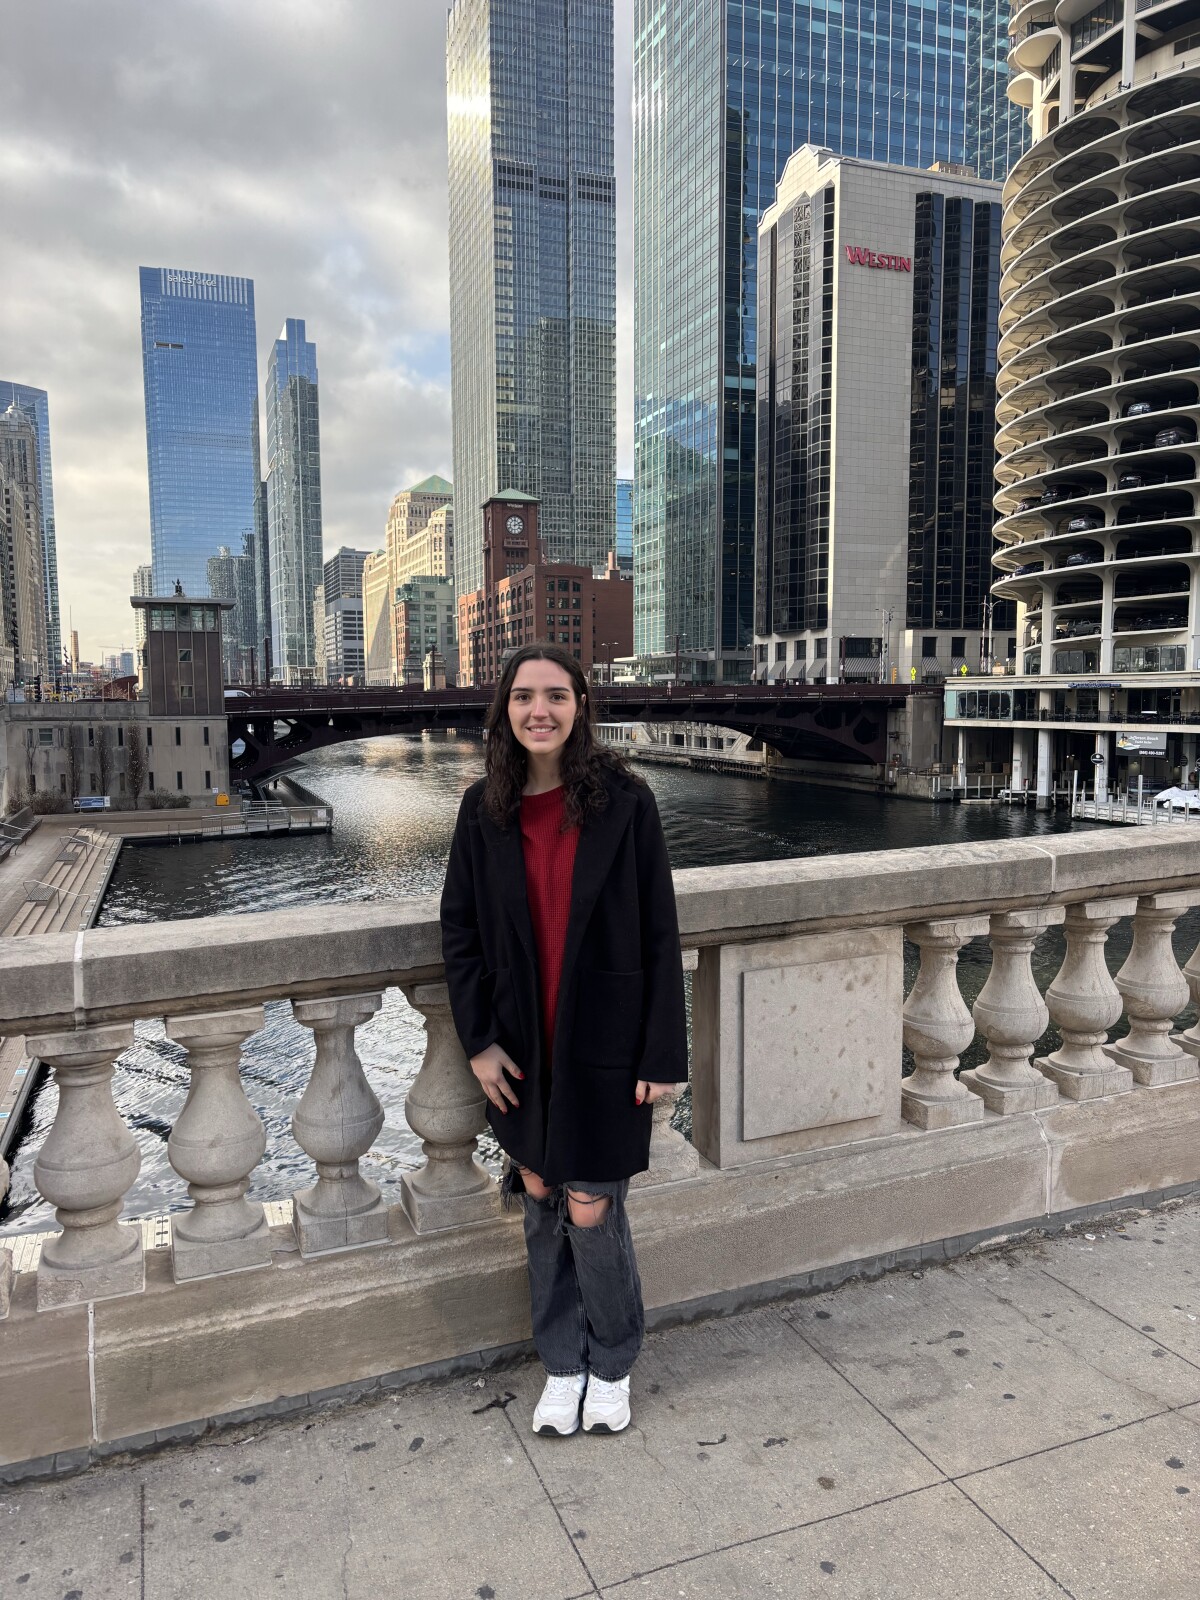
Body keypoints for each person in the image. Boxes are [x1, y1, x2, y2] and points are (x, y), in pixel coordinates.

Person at [440, 641, 688, 1437]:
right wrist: (479, 1041)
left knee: (591, 1206)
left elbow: (659, 932)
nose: (538, 710)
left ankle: (611, 1359)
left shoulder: (627, 802)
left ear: (581, 706)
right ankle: (561, 1361)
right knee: (541, 1192)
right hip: (520, 1044)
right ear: (504, 710)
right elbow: (460, 933)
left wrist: (661, 1054)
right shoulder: (483, 810)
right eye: (523, 697)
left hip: (604, 1038)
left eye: (555, 695)